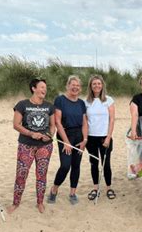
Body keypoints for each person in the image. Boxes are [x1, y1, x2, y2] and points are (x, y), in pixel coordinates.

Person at [8, 79, 55, 213]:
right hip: (26, 145)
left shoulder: (49, 106)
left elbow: (52, 126)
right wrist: (31, 133)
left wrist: (50, 136)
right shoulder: (22, 105)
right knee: (21, 174)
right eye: (41, 87)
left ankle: (40, 202)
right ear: (33, 88)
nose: (44, 90)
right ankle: (16, 203)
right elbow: (16, 125)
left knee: (42, 174)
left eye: (45, 88)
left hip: (45, 146)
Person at [48, 76, 88, 205]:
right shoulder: (60, 100)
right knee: (65, 166)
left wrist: (85, 140)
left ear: (80, 88)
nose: (75, 87)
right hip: (65, 135)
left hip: (79, 136)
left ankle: (72, 193)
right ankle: (54, 190)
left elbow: (84, 123)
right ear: (67, 86)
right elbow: (58, 122)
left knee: (76, 166)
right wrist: (66, 142)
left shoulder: (81, 103)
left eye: (78, 85)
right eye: (73, 85)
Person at [85, 75, 116, 200]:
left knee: (106, 164)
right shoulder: (86, 101)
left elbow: (112, 119)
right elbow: (85, 121)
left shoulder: (108, 100)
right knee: (94, 163)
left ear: (102, 85)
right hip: (91, 138)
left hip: (104, 137)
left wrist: (108, 137)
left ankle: (109, 188)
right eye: (94, 84)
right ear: (90, 86)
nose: (97, 86)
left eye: (99, 83)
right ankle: (95, 188)